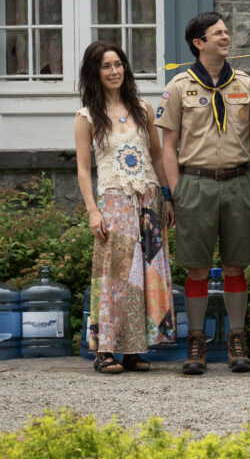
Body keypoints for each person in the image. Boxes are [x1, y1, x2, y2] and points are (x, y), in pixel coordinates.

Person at [155, 11, 250, 375]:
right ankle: (197, 343)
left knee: (236, 264)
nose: (225, 37)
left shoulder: (245, 85)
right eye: (217, 33)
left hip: (238, 183)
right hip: (196, 183)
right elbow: (167, 146)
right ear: (198, 43)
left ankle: (237, 340)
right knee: (197, 267)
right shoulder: (178, 87)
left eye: (226, 31)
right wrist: (175, 192)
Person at [74, 41, 176, 374]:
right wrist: (93, 210)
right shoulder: (87, 116)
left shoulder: (143, 109)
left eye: (118, 64)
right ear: (95, 72)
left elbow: (158, 156)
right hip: (114, 201)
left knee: (145, 276)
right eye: (106, 66)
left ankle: (134, 349)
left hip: (147, 200)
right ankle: (105, 351)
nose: (114, 71)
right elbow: (82, 167)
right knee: (113, 276)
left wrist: (167, 197)